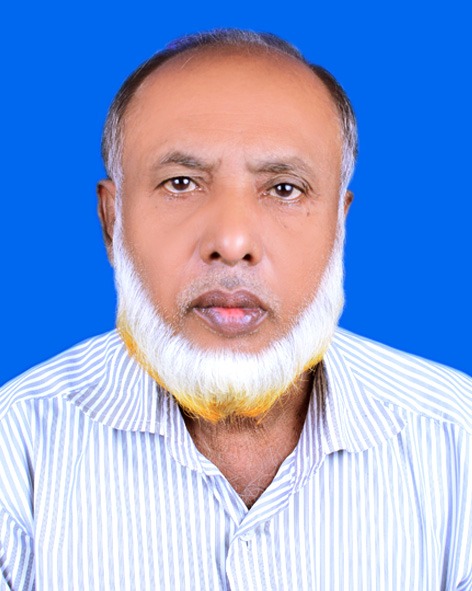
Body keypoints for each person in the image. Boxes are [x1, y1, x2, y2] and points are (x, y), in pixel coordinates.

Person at [0, 29, 470, 591]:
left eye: (284, 189)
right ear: (112, 220)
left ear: (338, 225)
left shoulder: (457, 440)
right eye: (181, 183)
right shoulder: (16, 449)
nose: (231, 241)